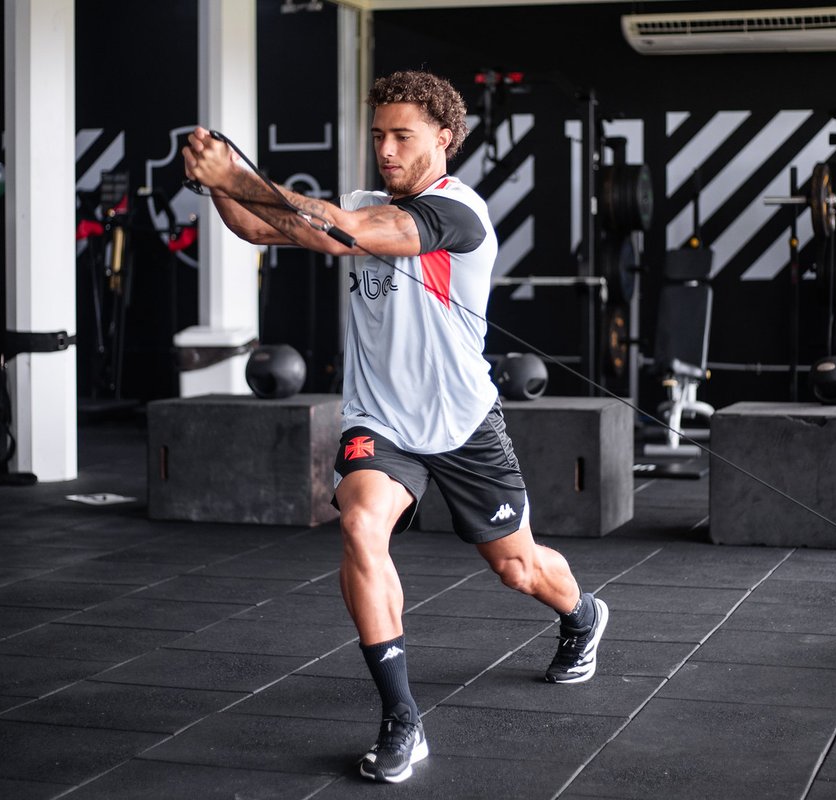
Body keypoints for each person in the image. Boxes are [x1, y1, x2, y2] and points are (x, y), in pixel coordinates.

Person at [183, 69, 608, 785]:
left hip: (463, 421)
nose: (385, 149)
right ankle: (401, 718)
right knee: (359, 524)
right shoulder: (363, 204)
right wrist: (217, 183)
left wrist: (238, 174)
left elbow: (343, 236)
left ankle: (583, 613)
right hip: (380, 419)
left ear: (444, 137)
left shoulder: (458, 213)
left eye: (402, 136)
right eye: (378, 135)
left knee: (518, 568)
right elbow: (258, 226)